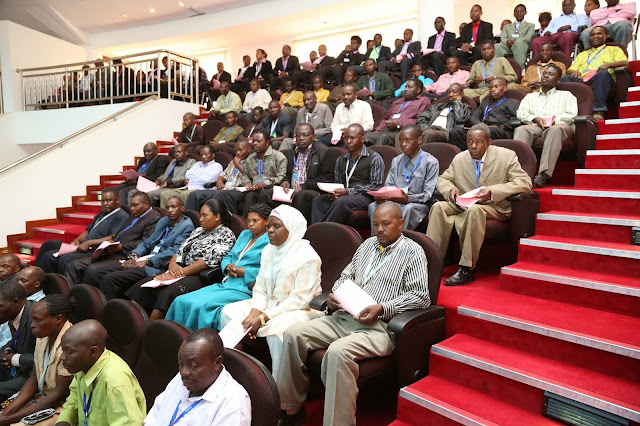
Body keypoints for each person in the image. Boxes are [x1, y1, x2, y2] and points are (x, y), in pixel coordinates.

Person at [277, 202, 430, 426]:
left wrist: (382, 307)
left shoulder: (413, 252)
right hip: (344, 317)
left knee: (337, 352)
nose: (379, 229)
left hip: (379, 328)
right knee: (293, 334)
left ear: (400, 223)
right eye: (375, 224)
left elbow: (420, 296)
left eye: (386, 224)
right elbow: (345, 278)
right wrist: (335, 295)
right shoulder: (367, 245)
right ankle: (291, 409)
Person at [220, 205, 323, 381]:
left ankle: (279, 389)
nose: (270, 231)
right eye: (269, 226)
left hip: (300, 310)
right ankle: (239, 372)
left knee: (278, 331)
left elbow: (299, 300)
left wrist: (263, 317)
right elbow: (260, 287)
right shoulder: (269, 250)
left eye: (277, 226)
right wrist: (255, 311)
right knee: (228, 312)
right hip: (269, 304)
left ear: (292, 228)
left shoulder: (308, 257)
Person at [427, 123, 532, 286]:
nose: (473, 146)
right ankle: (431, 261)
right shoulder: (460, 158)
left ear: (489, 142)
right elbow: (443, 179)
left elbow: (524, 182)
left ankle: (466, 268)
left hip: (495, 206)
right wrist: (450, 189)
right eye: (470, 142)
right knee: (438, 207)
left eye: (478, 142)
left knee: (474, 210)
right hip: (465, 203)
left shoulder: (506, 156)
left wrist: (492, 191)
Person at [125, 199, 236, 321]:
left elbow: (207, 261)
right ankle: (133, 325)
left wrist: (179, 273)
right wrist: (172, 265)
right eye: (200, 215)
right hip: (179, 270)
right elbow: (180, 251)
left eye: (205, 216)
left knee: (166, 294)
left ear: (217, 217)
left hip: (199, 275)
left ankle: (150, 330)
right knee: (145, 287)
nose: (200, 219)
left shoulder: (226, 235)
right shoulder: (198, 230)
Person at [167, 203, 271, 330]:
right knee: (181, 300)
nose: (251, 224)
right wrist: (227, 266)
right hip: (226, 282)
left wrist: (243, 272)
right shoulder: (245, 234)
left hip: (244, 288)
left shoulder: (270, 241)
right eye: (248, 221)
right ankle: (173, 335)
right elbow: (228, 256)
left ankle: (195, 339)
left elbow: (268, 272)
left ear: (266, 221)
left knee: (201, 306)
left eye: (255, 221)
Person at [85, 197, 194, 299]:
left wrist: (147, 261)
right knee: (96, 272)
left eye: (174, 207)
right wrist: (134, 255)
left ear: (182, 208)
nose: (170, 210)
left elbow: (174, 251)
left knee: (110, 279)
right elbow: (148, 242)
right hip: (143, 258)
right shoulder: (164, 221)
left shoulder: (186, 226)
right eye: (167, 207)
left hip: (157, 265)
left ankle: (111, 310)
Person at [143, 329, 251, 426]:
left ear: (217, 363)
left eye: (193, 365)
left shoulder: (233, 404)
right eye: (180, 363)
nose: (184, 372)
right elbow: (154, 416)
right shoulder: (185, 377)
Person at [0, 295, 74, 426]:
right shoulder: (43, 336)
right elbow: (34, 379)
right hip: (40, 397)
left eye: (38, 321)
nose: (32, 326)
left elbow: (58, 395)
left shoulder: (71, 346)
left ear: (58, 319)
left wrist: (11, 419)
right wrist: (6, 414)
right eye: (32, 320)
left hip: (60, 406)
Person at [56, 320, 146, 426]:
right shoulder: (82, 366)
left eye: (69, 352)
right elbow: (74, 399)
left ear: (93, 351)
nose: (63, 357)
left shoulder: (115, 381)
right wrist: (64, 421)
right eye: (63, 350)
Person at [65, 191, 163, 285]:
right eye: (130, 205)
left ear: (146, 204)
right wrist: (111, 242)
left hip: (125, 254)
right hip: (112, 249)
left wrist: (121, 246)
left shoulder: (154, 218)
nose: (132, 209)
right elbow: (120, 233)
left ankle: (90, 295)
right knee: (74, 264)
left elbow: (145, 241)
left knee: (92, 270)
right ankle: (72, 293)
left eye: (135, 205)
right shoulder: (134, 214)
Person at [35, 189, 129, 276]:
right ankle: (50, 284)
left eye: (108, 200)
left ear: (117, 200)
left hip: (96, 250)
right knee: (49, 256)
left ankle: (64, 286)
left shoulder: (121, 215)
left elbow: (112, 237)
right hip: (83, 246)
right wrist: (77, 240)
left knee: (65, 259)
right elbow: (88, 231)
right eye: (102, 201)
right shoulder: (102, 214)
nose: (105, 204)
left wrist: (89, 243)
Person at [515, 64, 578, 188]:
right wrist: (534, 118)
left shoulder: (566, 95)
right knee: (521, 130)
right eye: (544, 73)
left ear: (558, 80)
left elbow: (571, 114)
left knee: (555, 130)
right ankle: (518, 172)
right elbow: (521, 113)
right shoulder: (530, 97)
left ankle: (543, 174)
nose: (546, 76)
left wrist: (553, 121)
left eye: (550, 74)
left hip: (560, 125)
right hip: (537, 125)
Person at [368, 126, 439, 232]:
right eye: (401, 140)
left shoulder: (431, 162)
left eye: (408, 140)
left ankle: (398, 240)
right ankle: (376, 239)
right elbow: (388, 186)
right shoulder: (396, 161)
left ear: (419, 140)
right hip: (396, 201)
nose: (403, 144)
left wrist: (408, 199)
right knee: (373, 206)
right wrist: (382, 196)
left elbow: (428, 194)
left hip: (418, 204)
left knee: (408, 208)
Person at [260, 124, 335, 222]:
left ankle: (298, 227)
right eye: (298, 135)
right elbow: (287, 174)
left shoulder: (324, 151)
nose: (301, 138)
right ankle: (265, 225)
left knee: (301, 195)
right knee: (265, 194)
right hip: (290, 191)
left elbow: (327, 178)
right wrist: (286, 181)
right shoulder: (292, 151)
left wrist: (304, 186)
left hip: (312, 191)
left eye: (305, 135)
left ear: (313, 136)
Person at [312, 124, 384, 223]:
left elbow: (376, 186)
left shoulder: (374, 157)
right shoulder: (341, 159)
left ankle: (323, 230)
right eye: (346, 138)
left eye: (352, 138)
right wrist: (336, 193)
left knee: (341, 202)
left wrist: (348, 191)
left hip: (365, 197)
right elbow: (338, 183)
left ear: (362, 139)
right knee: (318, 200)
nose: (348, 141)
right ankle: (320, 228)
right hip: (344, 195)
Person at [561, 25, 628, 120]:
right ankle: (566, 112)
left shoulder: (614, 49)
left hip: (602, 78)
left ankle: (598, 110)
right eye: (592, 35)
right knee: (565, 78)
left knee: (602, 74)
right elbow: (570, 69)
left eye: (599, 34)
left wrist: (609, 64)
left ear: (606, 36)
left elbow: (625, 63)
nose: (595, 36)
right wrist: (574, 71)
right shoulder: (583, 54)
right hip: (583, 80)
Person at [216, 129, 287, 217]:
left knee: (251, 195)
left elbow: (281, 177)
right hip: (253, 189)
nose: (255, 143)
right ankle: (234, 220)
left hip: (269, 189)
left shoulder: (278, 156)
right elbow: (245, 174)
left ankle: (247, 221)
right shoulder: (251, 158)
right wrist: (247, 183)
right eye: (253, 141)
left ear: (267, 142)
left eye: (258, 141)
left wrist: (265, 183)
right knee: (225, 194)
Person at [450, 77, 520, 150]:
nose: (493, 89)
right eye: (490, 88)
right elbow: (473, 117)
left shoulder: (512, 102)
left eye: (496, 87)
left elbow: (514, 120)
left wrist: (499, 126)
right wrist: (479, 124)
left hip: (501, 130)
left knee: (488, 131)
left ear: (505, 88)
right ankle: (467, 153)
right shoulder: (486, 102)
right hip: (482, 128)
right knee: (456, 131)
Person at [185, 139, 252, 211]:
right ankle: (190, 217)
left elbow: (250, 176)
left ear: (249, 149)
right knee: (194, 195)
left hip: (239, 190)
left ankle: (218, 217)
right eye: (236, 151)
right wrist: (219, 180)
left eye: (240, 150)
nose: (238, 153)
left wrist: (237, 165)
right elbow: (224, 174)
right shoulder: (234, 161)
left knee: (220, 194)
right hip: (225, 189)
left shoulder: (252, 160)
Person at [365, 78, 431, 146]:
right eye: (405, 87)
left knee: (384, 137)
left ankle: (374, 153)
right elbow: (386, 118)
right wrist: (378, 130)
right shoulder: (397, 101)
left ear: (418, 90)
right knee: (364, 137)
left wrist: (398, 124)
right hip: (386, 129)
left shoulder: (423, 101)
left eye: (409, 87)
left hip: (403, 132)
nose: (406, 89)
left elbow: (419, 120)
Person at [0, 280, 36, 400]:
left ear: (15, 302)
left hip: (31, 378)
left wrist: (14, 358)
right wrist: (7, 350)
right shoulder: (13, 314)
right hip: (16, 371)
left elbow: (46, 359)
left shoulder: (36, 320)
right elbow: (16, 340)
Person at [159, 145, 223, 207]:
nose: (203, 157)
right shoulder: (198, 164)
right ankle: (166, 214)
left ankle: (184, 213)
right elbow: (187, 174)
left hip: (202, 189)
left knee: (185, 194)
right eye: (201, 155)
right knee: (165, 194)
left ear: (213, 155)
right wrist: (199, 177)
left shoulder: (217, 166)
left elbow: (205, 180)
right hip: (188, 187)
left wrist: (191, 180)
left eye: (206, 154)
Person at [494, 4, 536, 69]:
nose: (519, 13)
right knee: (496, 46)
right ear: (514, 14)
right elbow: (503, 38)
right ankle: (497, 69)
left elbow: (528, 38)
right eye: (517, 12)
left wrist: (515, 41)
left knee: (519, 43)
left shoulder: (530, 25)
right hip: (508, 46)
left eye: (521, 11)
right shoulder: (507, 26)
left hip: (522, 46)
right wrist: (507, 41)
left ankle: (519, 69)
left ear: (525, 12)